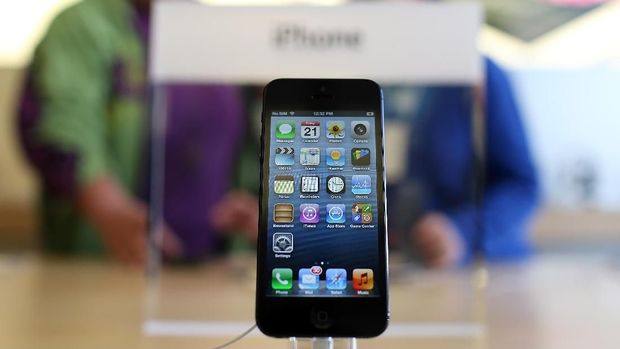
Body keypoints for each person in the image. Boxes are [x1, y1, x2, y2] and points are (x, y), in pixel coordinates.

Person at [18, 0, 259, 265]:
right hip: (110, 262)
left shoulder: (220, 31)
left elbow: (248, 140)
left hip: (214, 266)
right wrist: (109, 208)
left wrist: (258, 205)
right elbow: (62, 130)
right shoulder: (83, 25)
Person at [386, 58, 540, 268]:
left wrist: (463, 231)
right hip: (394, 269)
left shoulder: (477, 74)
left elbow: (522, 185)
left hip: (479, 271)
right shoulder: (364, 71)